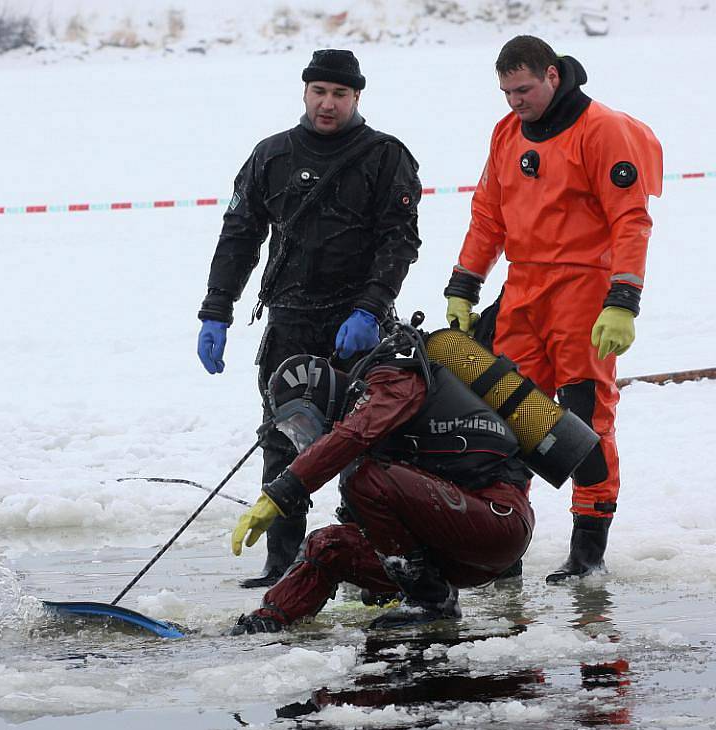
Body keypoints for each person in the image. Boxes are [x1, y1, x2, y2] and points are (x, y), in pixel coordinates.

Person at [196, 49, 422, 588]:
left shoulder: (386, 156)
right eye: (319, 91)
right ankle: (283, 564)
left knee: (366, 440)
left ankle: (373, 560)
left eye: (339, 94)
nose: (328, 103)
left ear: (356, 98)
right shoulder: (271, 155)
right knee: (283, 437)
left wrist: (370, 306)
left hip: (360, 328)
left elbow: (400, 240)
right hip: (290, 322)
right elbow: (239, 237)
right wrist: (216, 310)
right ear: (304, 92)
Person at [444, 36, 663, 583]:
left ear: (552, 76)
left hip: (584, 290)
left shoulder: (601, 129)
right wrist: (464, 286)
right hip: (524, 289)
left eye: (523, 90)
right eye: (505, 92)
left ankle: (587, 553)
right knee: (507, 415)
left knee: (585, 419)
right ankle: (504, 543)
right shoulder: (506, 132)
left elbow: (630, 221)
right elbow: (488, 216)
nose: (514, 101)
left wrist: (623, 300)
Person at [228, 333, 534, 634]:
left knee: (362, 479)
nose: (304, 437)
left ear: (324, 398)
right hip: (454, 546)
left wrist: (283, 491)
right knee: (327, 545)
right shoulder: (368, 440)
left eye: (303, 423)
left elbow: (355, 434)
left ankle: (430, 599)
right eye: (293, 431)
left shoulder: (393, 382)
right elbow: (371, 522)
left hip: (498, 521)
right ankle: (272, 618)